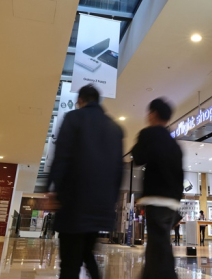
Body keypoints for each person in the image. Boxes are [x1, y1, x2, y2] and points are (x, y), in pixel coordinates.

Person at [47, 85, 124, 279]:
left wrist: (51, 189)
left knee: (70, 264)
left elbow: (61, 156)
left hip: (74, 202)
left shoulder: (74, 118)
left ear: (81, 100)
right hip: (100, 207)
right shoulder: (115, 128)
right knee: (87, 255)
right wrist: (111, 202)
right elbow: (119, 171)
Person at [132, 98, 184, 279]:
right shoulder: (175, 145)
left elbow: (138, 157)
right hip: (172, 202)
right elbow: (180, 174)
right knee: (159, 242)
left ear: (153, 114)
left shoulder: (148, 134)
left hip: (155, 198)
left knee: (158, 243)